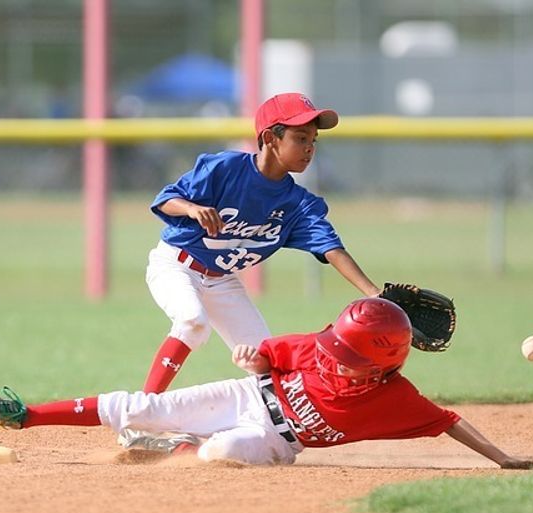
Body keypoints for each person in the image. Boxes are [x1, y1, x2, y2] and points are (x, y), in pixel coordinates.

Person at [0, 298, 533, 469]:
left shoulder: (399, 401)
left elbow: (449, 423)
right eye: (335, 344)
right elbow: (268, 358)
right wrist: (252, 359)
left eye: (346, 355)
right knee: (142, 406)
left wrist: (503, 458)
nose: (331, 354)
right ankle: (24, 413)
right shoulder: (317, 346)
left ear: (383, 367)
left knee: (220, 453)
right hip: (245, 394)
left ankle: (181, 447)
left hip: (278, 442)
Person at [141, 92, 380, 394]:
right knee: (193, 322)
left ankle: (267, 432)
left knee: (265, 359)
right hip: (176, 266)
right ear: (270, 138)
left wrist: (375, 294)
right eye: (301, 138)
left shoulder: (299, 204)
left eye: (313, 141)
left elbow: (332, 249)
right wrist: (191, 208)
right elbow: (164, 200)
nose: (309, 148)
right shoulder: (225, 169)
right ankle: (142, 409)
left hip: (222, 281)